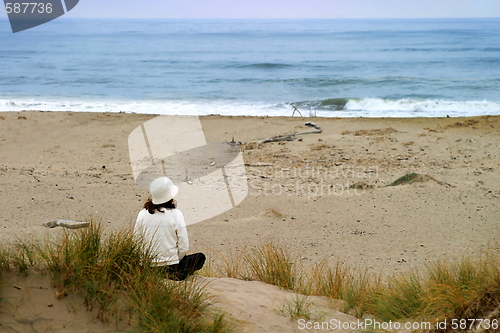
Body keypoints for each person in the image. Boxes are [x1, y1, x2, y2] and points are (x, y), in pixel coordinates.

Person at [134, 177, 205, 281]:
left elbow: (136, 242)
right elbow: (183, 246)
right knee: (200, 257)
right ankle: (175, 275)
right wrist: (175, 260)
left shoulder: (142, 214)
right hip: (172, 267)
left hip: (148, 267)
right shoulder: (176, 214)